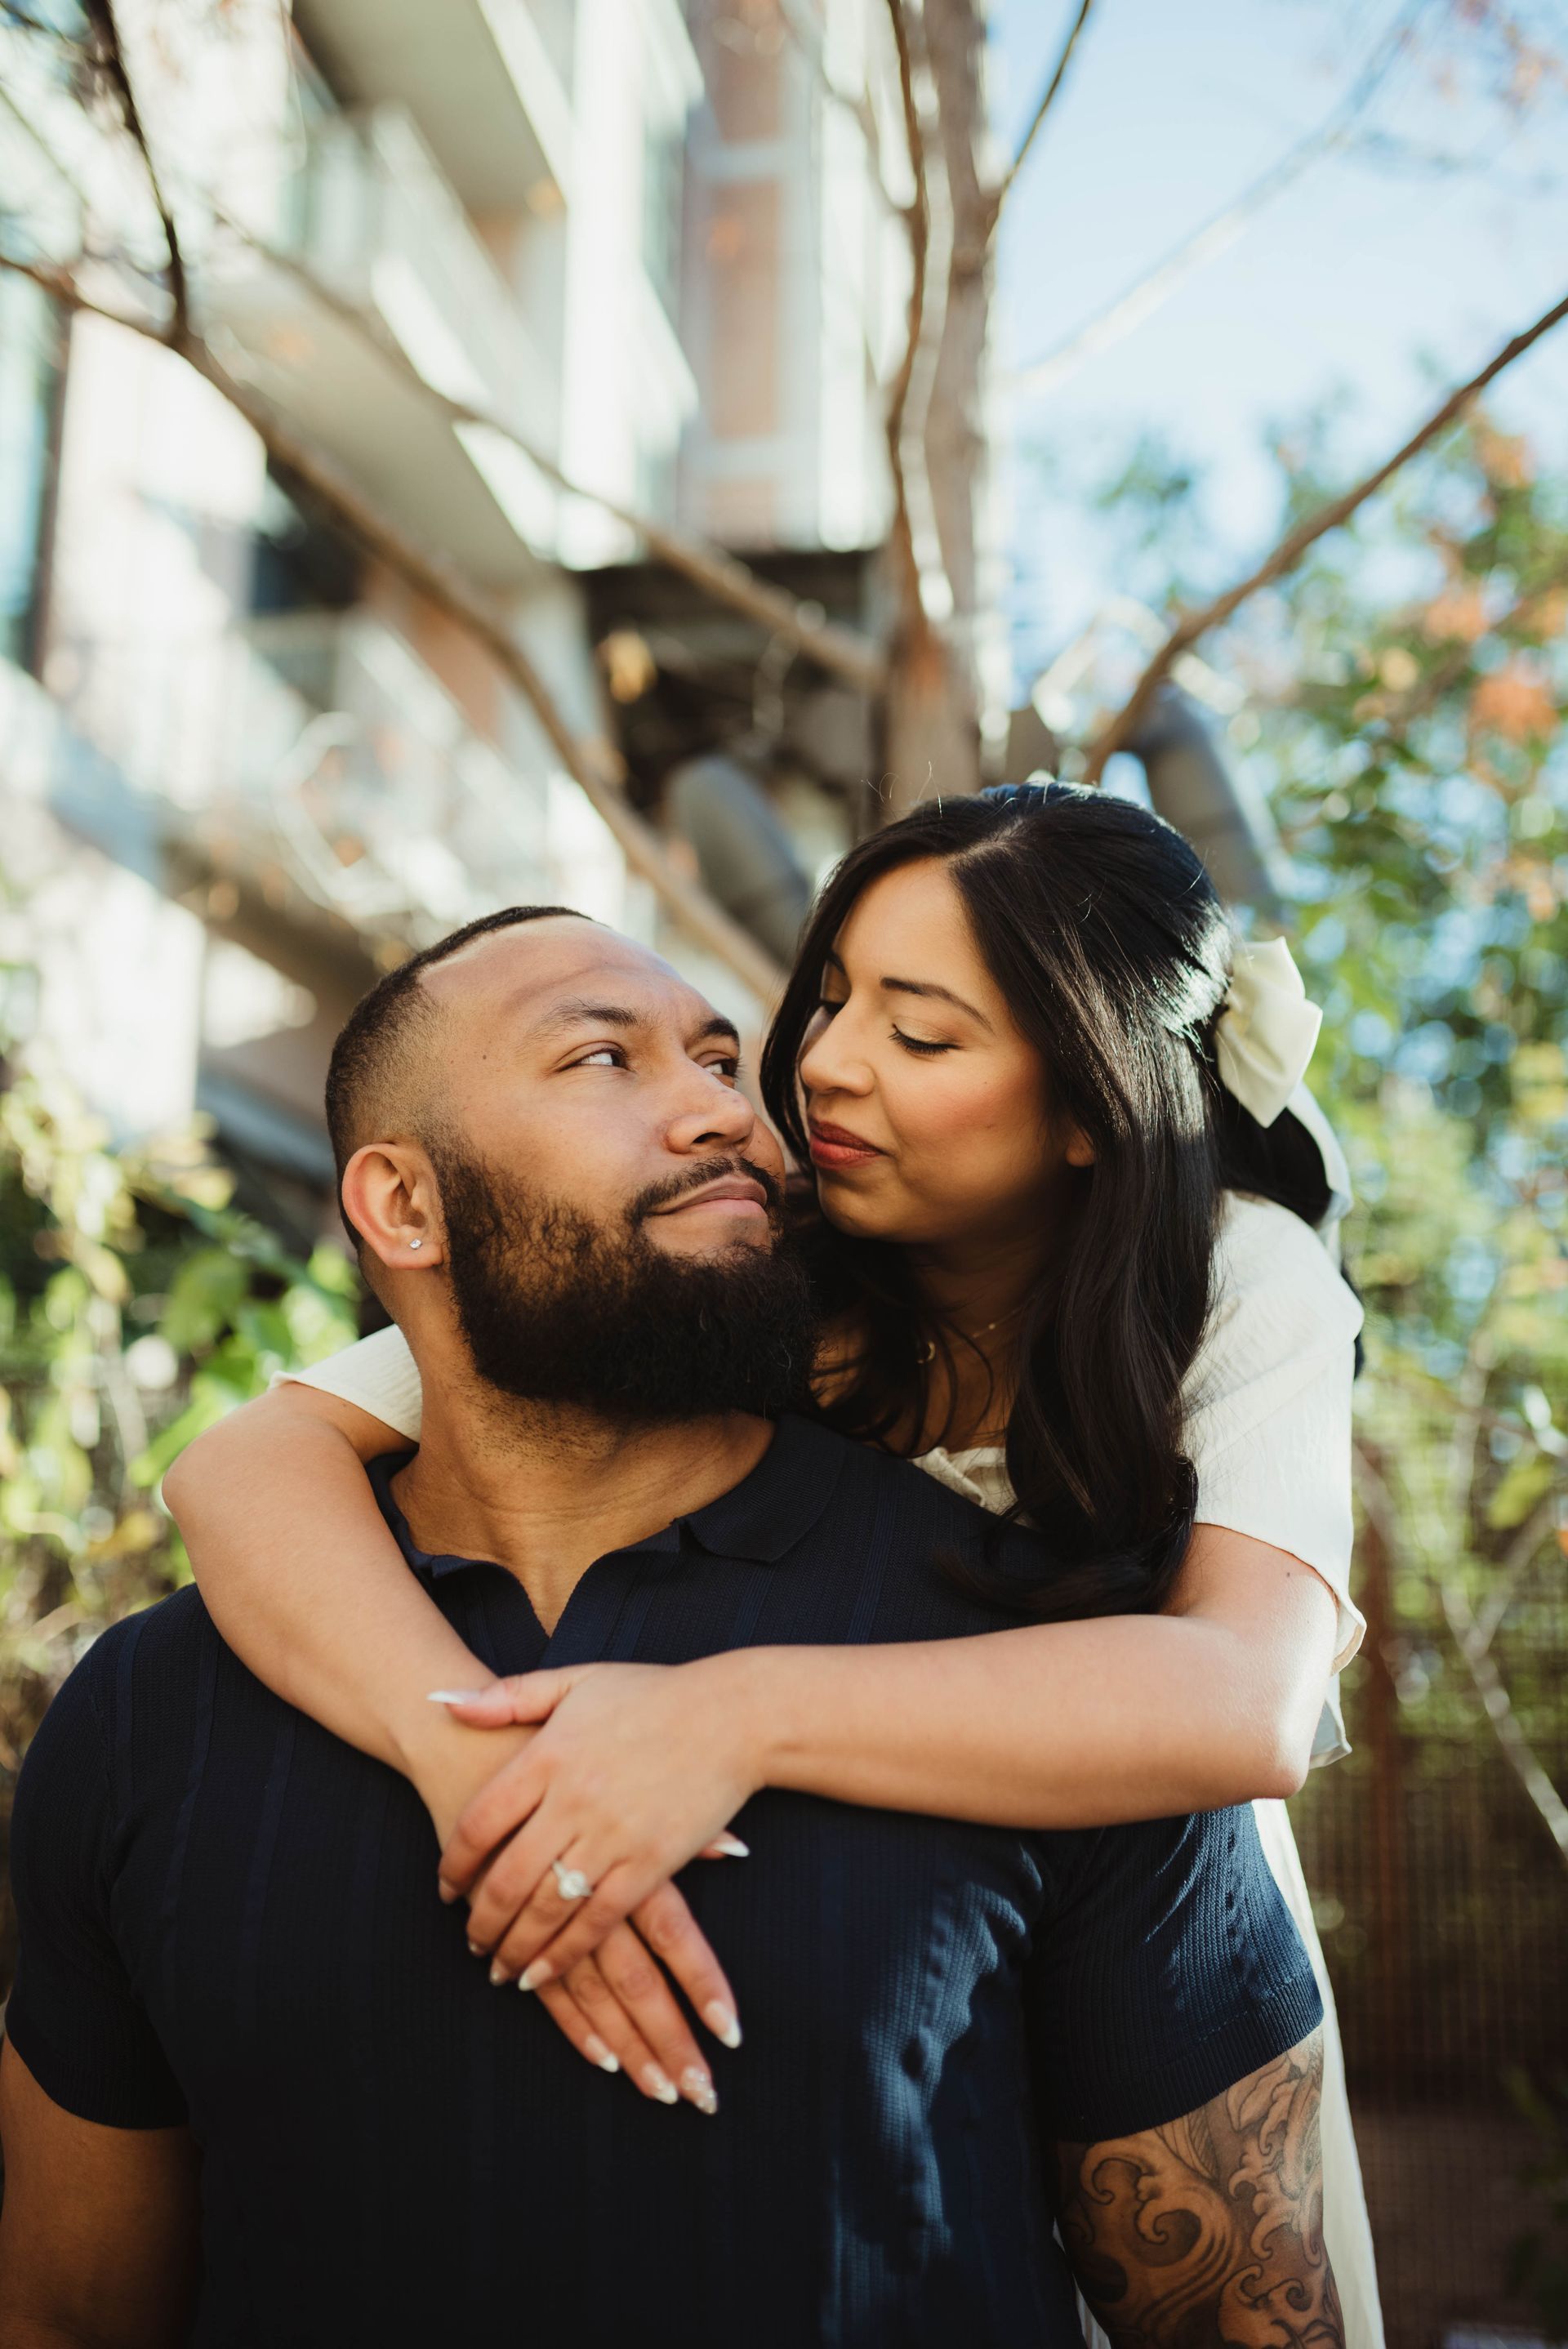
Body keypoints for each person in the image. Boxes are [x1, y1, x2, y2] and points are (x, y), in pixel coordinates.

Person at [0, 910, 1341, 2348]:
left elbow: (1239, 2320)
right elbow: (75, 2314)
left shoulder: (1065, 1673)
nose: (730, 1107)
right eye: (600, 1057)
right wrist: (483, 1769)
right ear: (402, 1208)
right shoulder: (151, 1715)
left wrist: (735, 1714)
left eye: (719, 1059)